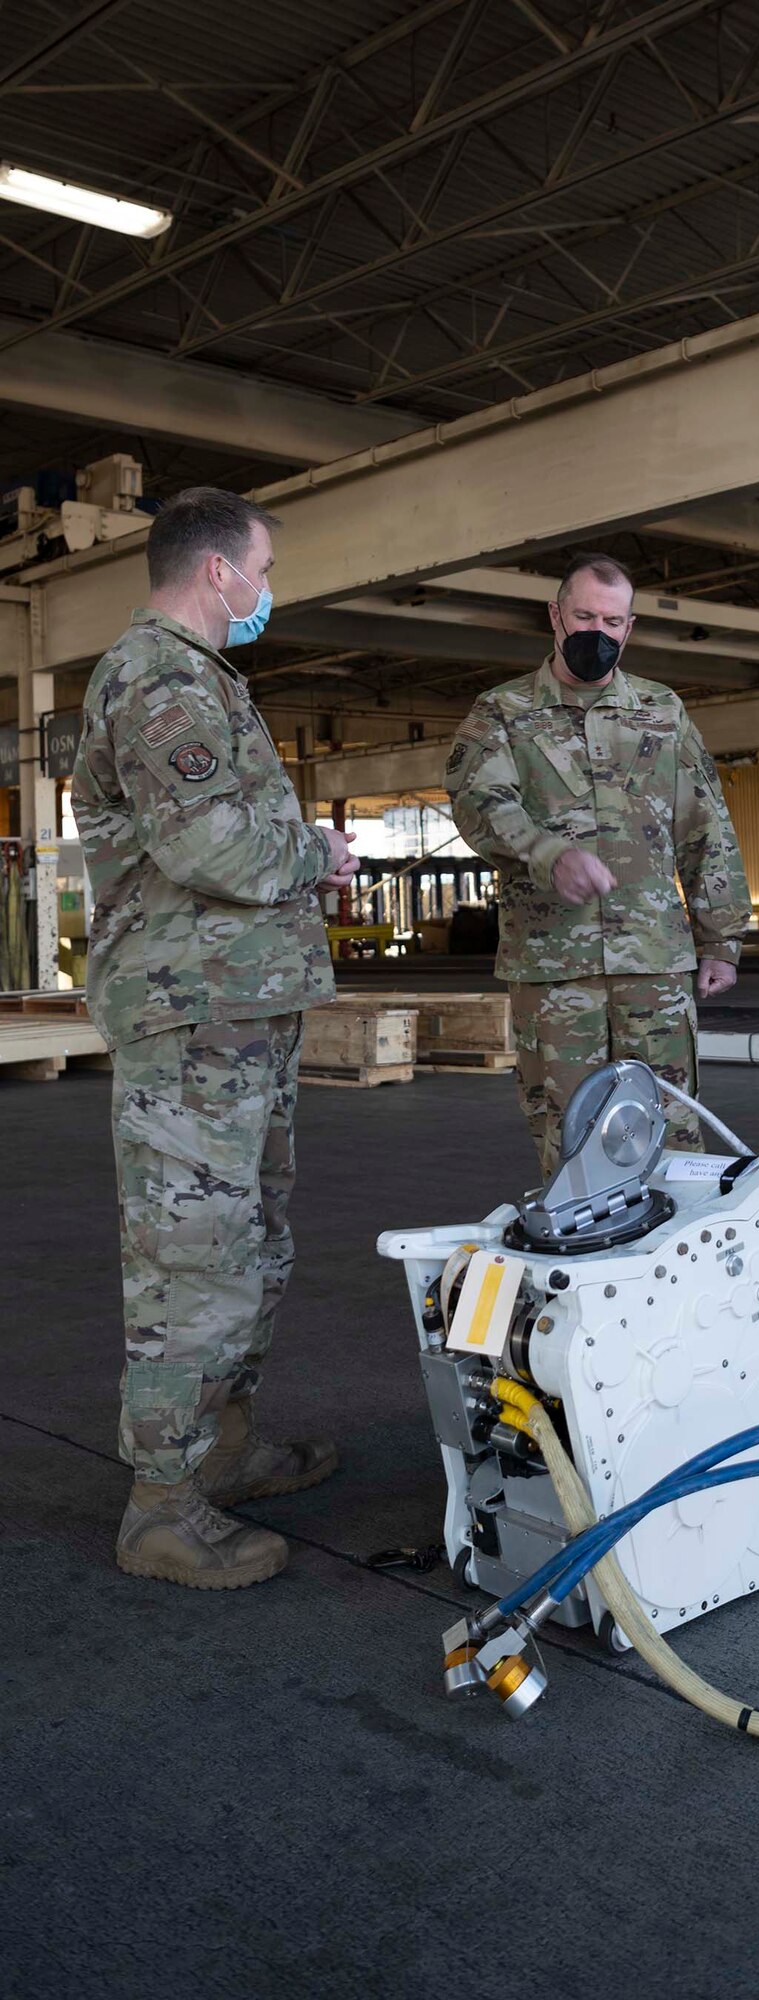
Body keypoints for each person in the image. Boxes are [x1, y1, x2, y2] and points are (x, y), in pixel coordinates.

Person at [72, 486, 358, 1587]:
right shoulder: (156, 678)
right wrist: (317, 856)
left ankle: (224, 1450)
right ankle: (161, 1506)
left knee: (248, 1247)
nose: (267, 588)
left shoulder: (200, 678)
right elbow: (212, 849)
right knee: (192, 1266)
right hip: (191, 1017)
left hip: (234, 1014)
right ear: (215, 571)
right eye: (263, 567)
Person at [446, 552, 751, 1174]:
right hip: (555, 963)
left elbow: (705, 825)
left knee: (672, 1122)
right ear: (555, 617)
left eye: (613, 621)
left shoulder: (663, 712)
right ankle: (588, 1260)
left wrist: (722, 936)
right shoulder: (502, 713)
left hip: (654, 960)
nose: (598, 632)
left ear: (629, 627)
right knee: (568, 1130)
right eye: (584, 615)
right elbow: (481, 805)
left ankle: (671, 1259)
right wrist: (547, 854)